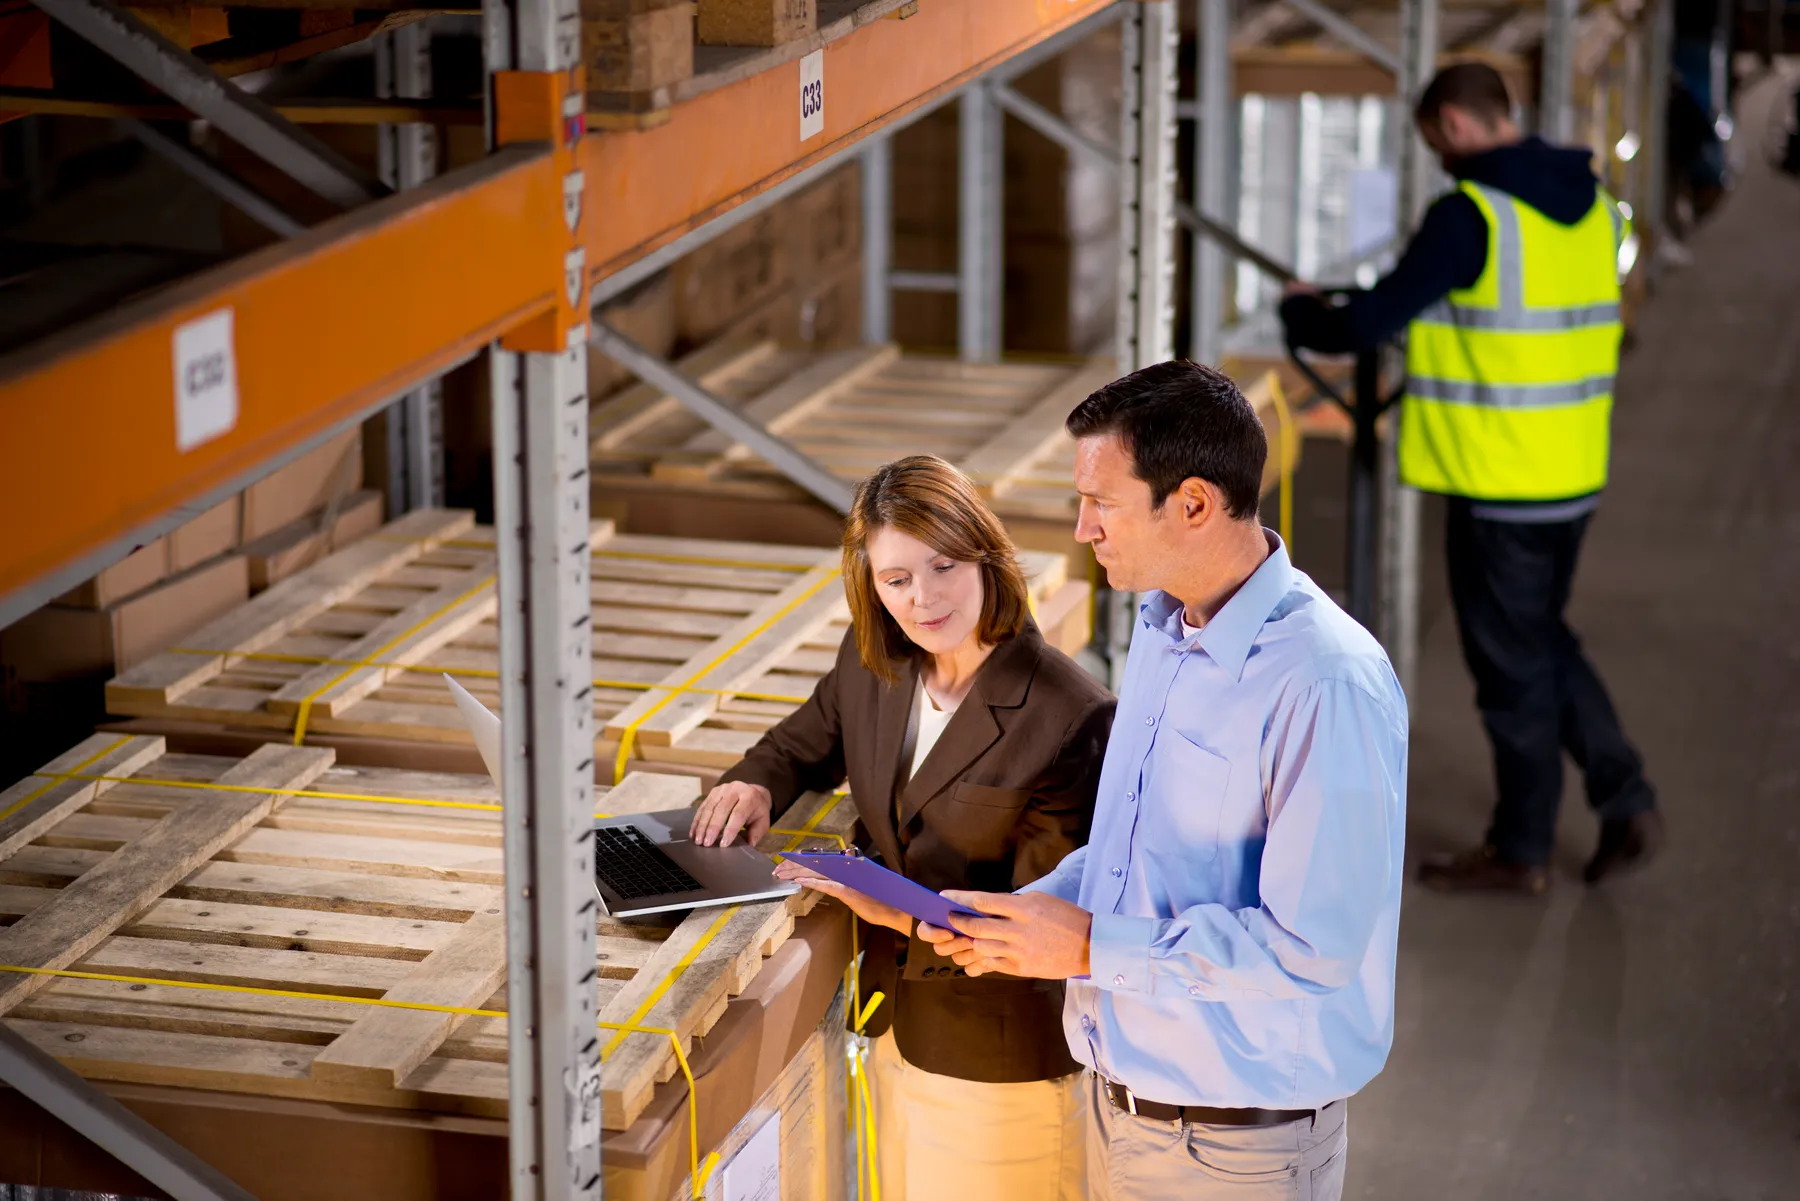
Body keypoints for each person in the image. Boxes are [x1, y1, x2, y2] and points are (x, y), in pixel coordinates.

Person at [919, 361, 1408, 1201]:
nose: (1082, 529)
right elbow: (1137, 855)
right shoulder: (1162, 629)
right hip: (1125, 1115)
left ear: (1192, 504)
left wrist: (1081, 945)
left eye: (1101, 504)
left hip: (1236, 1152)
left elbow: (1311, 950)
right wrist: (1030, 914)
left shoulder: (1325, 683)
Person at [1279, 62, 1662, 893]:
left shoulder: (1471, 215)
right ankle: (1624, 795)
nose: (1439, 160)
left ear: (1453, 123)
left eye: (1434, 143)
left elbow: (1368, 324)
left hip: (1500, 484)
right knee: (1540, 638)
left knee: (1512, 666)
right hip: (1571, 471)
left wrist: (1300, 312)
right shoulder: (1591, 206)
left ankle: (1524, 848)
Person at [688, 454, 1114, 1201]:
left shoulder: (1068, 714)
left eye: (944, 566)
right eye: (897, 579)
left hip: (1002, 1067)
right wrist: (754, 782)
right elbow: (800, 743)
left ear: (985, 556)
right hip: (893, 1034)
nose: (924, 599)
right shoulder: (874, 665)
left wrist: (892, 909)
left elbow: (1042, 934)